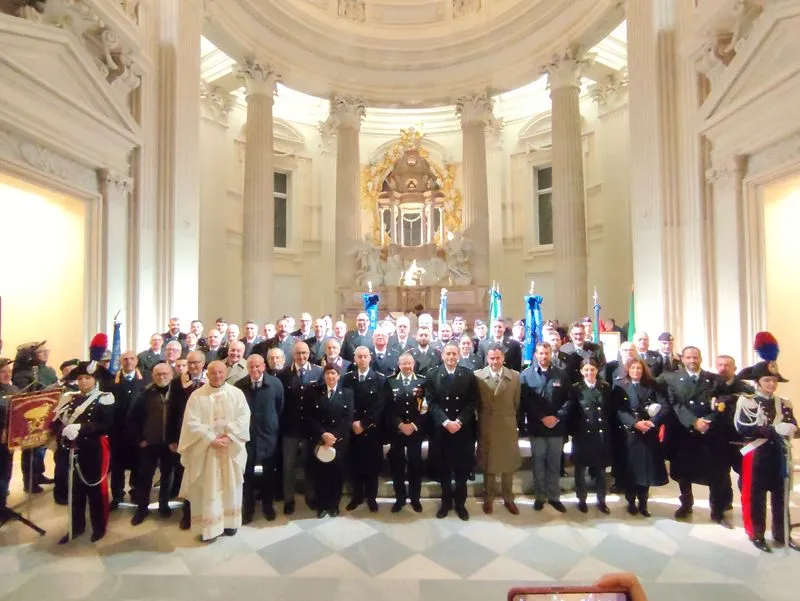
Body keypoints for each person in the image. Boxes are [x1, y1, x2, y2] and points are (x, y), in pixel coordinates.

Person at [178, 360, 250, 543]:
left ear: (225, 373)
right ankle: (209, 526)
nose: (217, 376)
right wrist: (211, 439)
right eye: (213, 373)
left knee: (231, 486)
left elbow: (244, 417)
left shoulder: (236, 393)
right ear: (207, 374)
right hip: (207, 452)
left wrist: (230, 436)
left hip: (229, 449)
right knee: (208, 489)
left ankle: (230, 523)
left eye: (220, 372)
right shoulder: (197, 396)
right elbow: (191, 423)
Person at [660, 346, 731, 526]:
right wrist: (693, 421)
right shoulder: (672, 379)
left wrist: (708, 420)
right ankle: (686, 504)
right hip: (684, 433)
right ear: (682, 359)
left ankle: (716, 510)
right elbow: (674, 404)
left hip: (709, 434)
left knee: (714, 474)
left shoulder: (714, 380)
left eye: (695, 357)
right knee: (684, 472)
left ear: (701, 358)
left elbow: (724, 403)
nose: (692, 360)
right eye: (689, 357)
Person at [734, 362, 799, 552]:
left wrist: (793, 429)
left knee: (781, 497)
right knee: (756, 497)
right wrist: (773, 430)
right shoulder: (747, 401)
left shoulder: (784, 403)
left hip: (779, 455)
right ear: (757, 382)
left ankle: (782, 534)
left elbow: (793, 426)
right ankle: (757, 534)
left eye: (774, 380)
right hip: (757, 455)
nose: (771, 384)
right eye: (767, 380)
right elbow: (743, 428)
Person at [51, 360, 115, 544]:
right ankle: (76, 527)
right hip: (71, 450)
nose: (83, 381)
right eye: (80, 378)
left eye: (87, 378)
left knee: (95, 491)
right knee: (75, 491)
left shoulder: (104, 397)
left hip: (93, 450)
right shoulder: (69, 398)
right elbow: (58, 422)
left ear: (95, 380)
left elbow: (107, 425)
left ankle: (99, 528)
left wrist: (82, 428)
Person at [426, 343, 478, 521]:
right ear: (442, 355)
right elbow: (431, 402)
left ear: (459, 355)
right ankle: (446, 502)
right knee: (444, 469)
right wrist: (446, 422)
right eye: (448, 354)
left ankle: (460, 504)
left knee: (462, 470)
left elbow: (472, 402)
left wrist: (459, 421)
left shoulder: (468, 375)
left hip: (463, 430)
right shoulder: (432, 374)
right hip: (442, 430)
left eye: (454, 354)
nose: (451, 357)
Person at [612, 357, 668, 517]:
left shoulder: (652, 385)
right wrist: (634, 423)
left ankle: (643, 503)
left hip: (648, 433)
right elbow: (618, 409)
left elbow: (665, 406)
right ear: (628, 370)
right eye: (633, 368)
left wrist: (653, 422)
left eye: (639, 368)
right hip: (630, 433)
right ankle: (631, 501)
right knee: (631, 469)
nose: (636, 371)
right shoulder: (620, 386)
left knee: (646, 470)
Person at [520, 342, 570, 513]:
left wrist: (557, 417)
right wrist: (542, 417)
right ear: (535, 354)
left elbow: (569, 399)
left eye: (546, 353)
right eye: (540, 353)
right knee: (538, 463)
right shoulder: (526, 375)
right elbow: (526, 401)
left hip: (557, 426)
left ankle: (554, 497)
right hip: (537, 426)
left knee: (554, 463)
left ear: (551, 354)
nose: (543, 356)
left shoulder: (561, 374)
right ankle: (540, 497)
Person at [560, 358, 613, 514]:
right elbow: (571, 411)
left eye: (592, 369)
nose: (590, 373)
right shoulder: (576, 388)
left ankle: (601, 500)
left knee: (601, 470)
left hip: (601, 433)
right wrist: (573, 431)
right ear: (582, 371)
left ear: (597, 370)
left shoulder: (605, 387)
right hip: (582, 433)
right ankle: (581, 499)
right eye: (586, 370)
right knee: (580, 469)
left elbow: (609, 410)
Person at [235, 354, 283, 523]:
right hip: (247, 436)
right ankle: (248, 509)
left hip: (268, 435)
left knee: (269, 473)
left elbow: (279, 407)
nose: (255, 369)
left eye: (258, 366)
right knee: (246, 473)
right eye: (251, 366)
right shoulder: (239, 385)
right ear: (247, 368)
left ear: (263, 366)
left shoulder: (276, 384)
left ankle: (268, 506)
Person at [475, 344, 521, 515]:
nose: (495, 361)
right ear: (487, 358)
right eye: (492, 358)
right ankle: (489, 498)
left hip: (507, 424)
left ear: (503, 358)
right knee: (489, 463)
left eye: (498, 358)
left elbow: (516, 402)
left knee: (508, 463)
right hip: (487, 424)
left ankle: (508, 498)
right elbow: (476, 403)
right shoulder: (478, 376)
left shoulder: (514, 376)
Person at [277, 342, 323, 515]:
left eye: (304, 353)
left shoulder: (318, 372)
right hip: (290, 428)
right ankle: (289, 499)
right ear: (293, 354)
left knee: (310, 464)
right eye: (298, 353)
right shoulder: (283, 374)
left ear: (309, 354)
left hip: (310, 429)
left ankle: (310, 496)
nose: (301, 356)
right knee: (288, 466)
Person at [130, 363, 177, 525]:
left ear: (171, 375)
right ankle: (142, 509)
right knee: (145, 477)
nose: (162, 377)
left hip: (170, 444)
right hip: (149, 444)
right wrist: (140, 439)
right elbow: (132, 419)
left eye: (165, 374)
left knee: (167, 476)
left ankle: (163, 505)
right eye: (158, 374)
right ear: (153, 376)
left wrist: (176, 440)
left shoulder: (177, 393)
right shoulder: (144, 394)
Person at [341, 346, 386, 512]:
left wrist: (364, 423)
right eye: (359, 356)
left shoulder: (380, 379)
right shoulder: (347, 378)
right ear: (354, 359)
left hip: (371, 429)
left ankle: (372, 498)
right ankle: (357, 496)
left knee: (372, 466)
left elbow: (380, 405)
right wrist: (353, 423)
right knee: (355, 464)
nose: (362, 359)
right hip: (352, 429)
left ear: (370, 358)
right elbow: (344, 403)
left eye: (365, 356)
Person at [307, 364, 353, 518]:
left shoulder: (347, 393)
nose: (330, 376)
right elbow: (310, 417)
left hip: (339, 440)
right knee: (321, 474)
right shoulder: (315, 392)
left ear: (338, 376)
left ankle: (334, 505)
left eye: (333, 373)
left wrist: (334, 436)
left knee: (336, 474)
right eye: (327, 373)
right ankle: (322, 505)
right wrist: (323, 434)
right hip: (320, 439)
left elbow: (348, 418)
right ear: (324, 375)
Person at [166, 350, 206, 530]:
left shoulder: (211, 379)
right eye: (190, 363)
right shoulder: (177, 383)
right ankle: (188, 514)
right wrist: (171, 438)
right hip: (185, 436)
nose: (193, 366)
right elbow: (171, 411)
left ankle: (205, 512)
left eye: (196, 362)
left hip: (206, 437)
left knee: (206, 476)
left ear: (203, 363)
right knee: (187, 476)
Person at [385, 352, 427, 513]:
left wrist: (414, 425)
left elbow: (425, 408)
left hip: (415, 432)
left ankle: (415, 499)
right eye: (404, 363)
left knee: (415, 466)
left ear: (414, 364)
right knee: (397, 466)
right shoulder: (390, 382)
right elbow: (387, 408)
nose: (407, 366)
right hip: (397, 432)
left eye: (409, 363)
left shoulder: (422, 381)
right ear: (399, 364)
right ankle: (400, 499)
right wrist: (400, 424)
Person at [109, 351, 145, 510]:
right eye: (125, 359)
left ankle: (135, 491)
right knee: (117, 466)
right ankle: (117, 495)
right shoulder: (111, 382)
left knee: (138, 464)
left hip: (138, 432)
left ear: (136, 361)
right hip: (117, 432)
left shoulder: (145, 380)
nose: (128, 361)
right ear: (120, 361)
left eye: (132, 358)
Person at [0, 359, 18, 515]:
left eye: (9, 371)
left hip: (9, 439)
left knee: (6, 470)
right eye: (2, 372)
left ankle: (2, 503)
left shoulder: (13, 389)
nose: (7, 374)